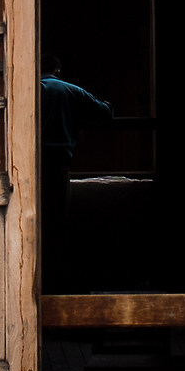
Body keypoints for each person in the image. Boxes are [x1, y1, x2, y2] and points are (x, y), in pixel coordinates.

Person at [38, 53, 116, 291]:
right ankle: (55, 280)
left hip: (27, 163)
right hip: (58, 161)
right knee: (55, 221)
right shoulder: (69, 91)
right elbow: (105, 112)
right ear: (58, 71)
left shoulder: (29, 89)